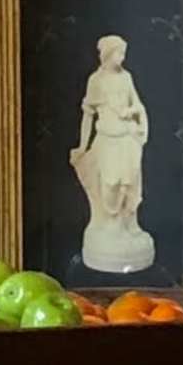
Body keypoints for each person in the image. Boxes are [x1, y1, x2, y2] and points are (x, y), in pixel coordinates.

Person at [73, 32, 155, 277]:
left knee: (129, 187)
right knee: (110, 184)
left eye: (123, 53)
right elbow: (88, 115)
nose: (122, 58)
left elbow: (138, 105)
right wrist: (82, 146)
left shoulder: (126, 77)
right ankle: (110, 225)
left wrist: (133, 111)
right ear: (107, 55)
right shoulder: (96, 81)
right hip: (107, 140)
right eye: (118, 53)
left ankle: (127, 225)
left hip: (127, 140)